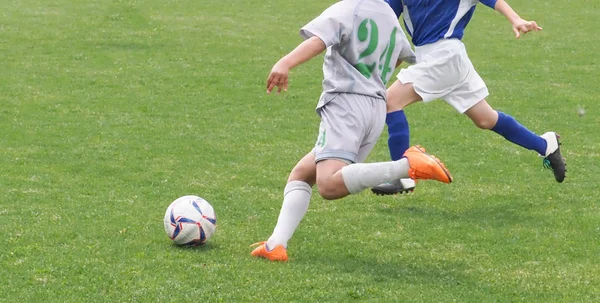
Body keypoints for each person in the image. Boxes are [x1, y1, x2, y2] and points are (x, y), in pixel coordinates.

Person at [250, 0, 453, 262]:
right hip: (375, 108)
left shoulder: (350, 7)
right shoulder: (389, 16)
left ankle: (407, 166)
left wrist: (284, 63)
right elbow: (404, 54)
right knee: (302, 174)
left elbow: (319, 40)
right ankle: (276, 244)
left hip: (346, 104)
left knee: (329, 185)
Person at [371, 0, 567, 196]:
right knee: (485, 119)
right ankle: (546, 144)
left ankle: (403, 175)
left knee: (391, 102)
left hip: (445, 56)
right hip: (436, 59)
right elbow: (387, 22)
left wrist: (515, 19)